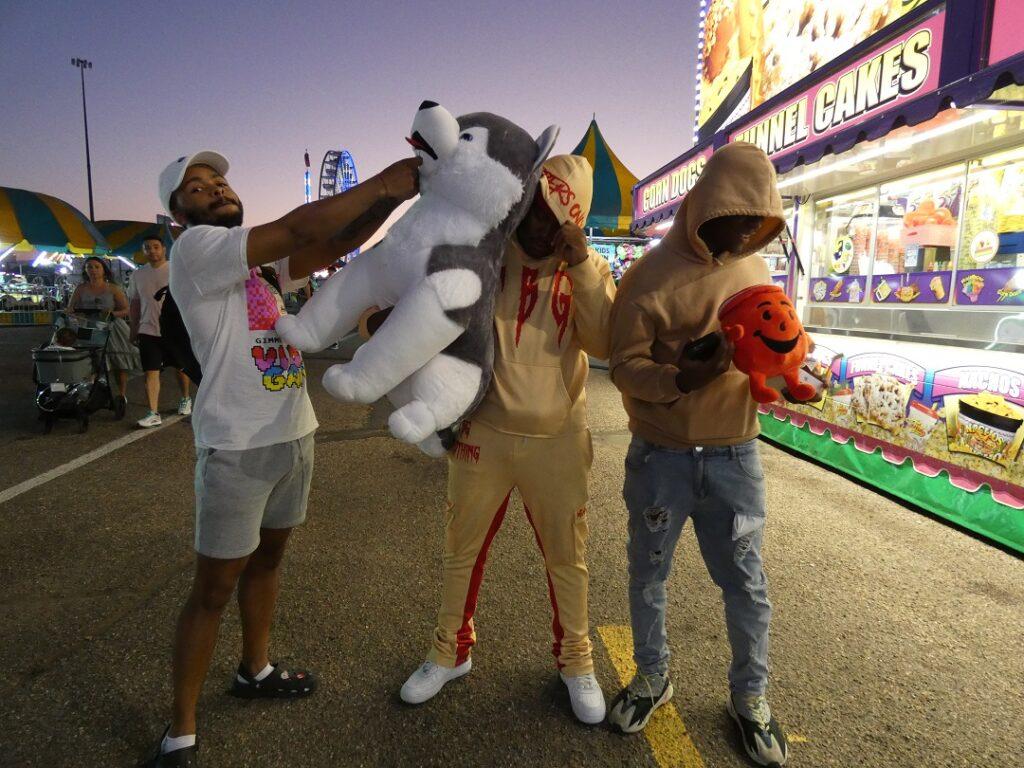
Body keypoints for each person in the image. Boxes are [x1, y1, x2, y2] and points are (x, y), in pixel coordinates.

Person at [146, 150, 420, 768]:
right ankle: (181, 731)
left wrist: (395, 197)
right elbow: (300, 227)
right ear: (178, 215)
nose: (215, 188)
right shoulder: (195, 252)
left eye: (219, 180)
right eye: (197, 187)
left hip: (293, 433)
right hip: (237, 445)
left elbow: (332, 240)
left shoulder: (260, 269)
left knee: (268, 563)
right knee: (212, 588)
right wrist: (381, 180)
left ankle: (255, 669)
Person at [396, 155, 616, 725]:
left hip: (558, 439)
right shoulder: (489, 256)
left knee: (569, 559)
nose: (541, 228)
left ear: (575, 218)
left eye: (555, 217)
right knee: (460, 552)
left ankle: (576, 661)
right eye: (533, 212)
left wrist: (585, 265)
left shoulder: (585, 269)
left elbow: (605, 341)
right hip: (484, 432)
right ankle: (449, 651)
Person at [605, 142, 790, 767]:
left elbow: (772, 341)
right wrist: (680, 378)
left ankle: (751, 698)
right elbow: (624, 368)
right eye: (737, 219)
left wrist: (790, 374)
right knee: (649, 575)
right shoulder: (647, 278)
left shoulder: (756, 270)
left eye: (757, 223)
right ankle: (653, 677)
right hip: (662, 456)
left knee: (746, 583)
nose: (744, 234)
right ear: (705, 209)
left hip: (738, 455)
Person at [128, 235, 192, 427]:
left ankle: (186, 398)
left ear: (164, 249)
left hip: (175, 329)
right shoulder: (138, 275)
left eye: (156, 247)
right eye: (147, 248)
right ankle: (153, 412)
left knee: (181, 368)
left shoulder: (177, 270)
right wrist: (133, 328)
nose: (152, 251)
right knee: (151, 371)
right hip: (148, 329)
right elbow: (135, 303)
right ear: (144, 251)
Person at [68, 256, 141, 415]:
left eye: (96, 267)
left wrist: (112, 314)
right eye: (89, 267)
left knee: (118, 362)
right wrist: (75, 317)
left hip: (111, 328)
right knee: (91, 363)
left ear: (103, 269)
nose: (93, 270)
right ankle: (89, 394)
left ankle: (121, 394)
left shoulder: (113, 288)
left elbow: (126, 309)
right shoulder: (80, 288)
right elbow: (70, 309)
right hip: (89, 328)